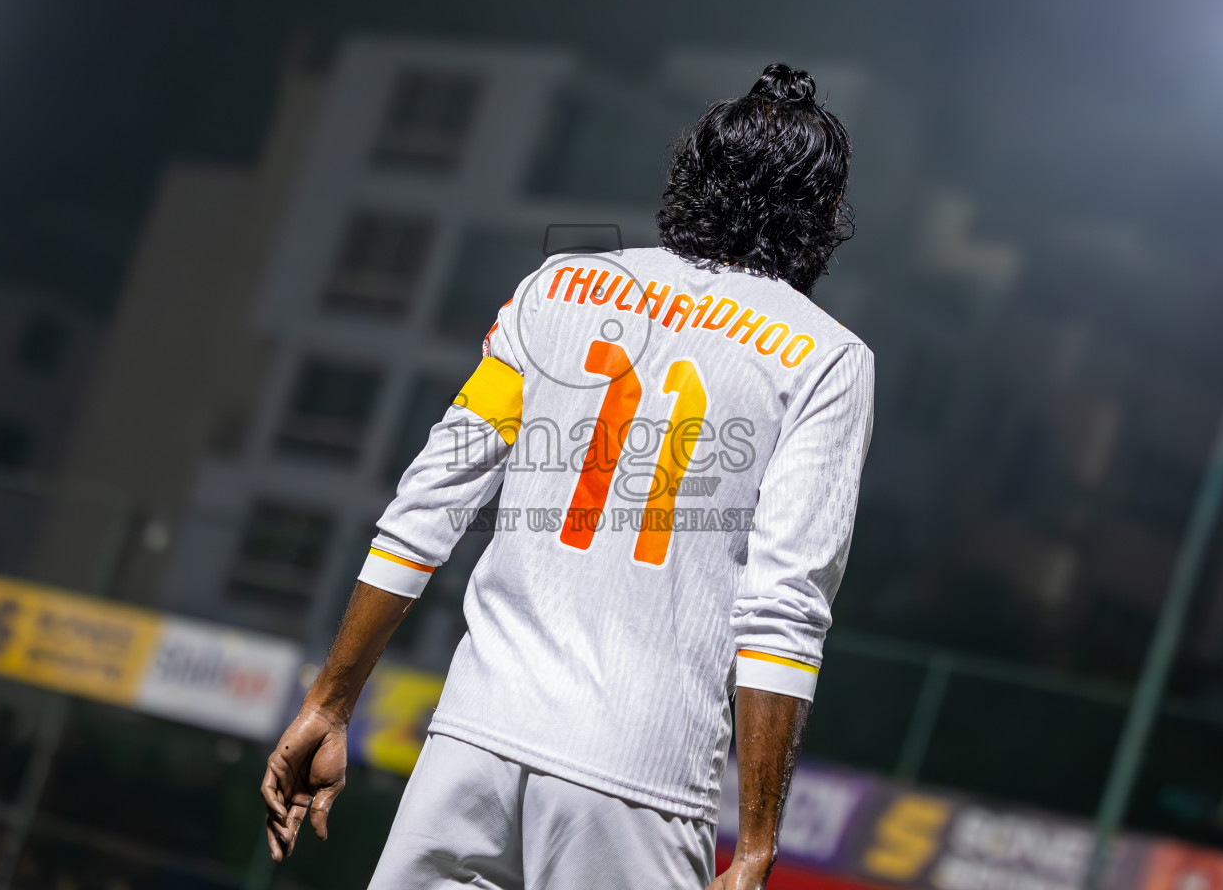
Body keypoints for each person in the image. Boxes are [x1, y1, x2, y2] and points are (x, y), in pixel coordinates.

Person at [261, 62, 875, 890]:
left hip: (473, 742)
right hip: (638, 780)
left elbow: (427, 505)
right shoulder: (828, 358)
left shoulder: (560, 284)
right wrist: (757, 844)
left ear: (690, 173)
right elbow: (784, 610)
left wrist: (330, 702)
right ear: (824, 217)